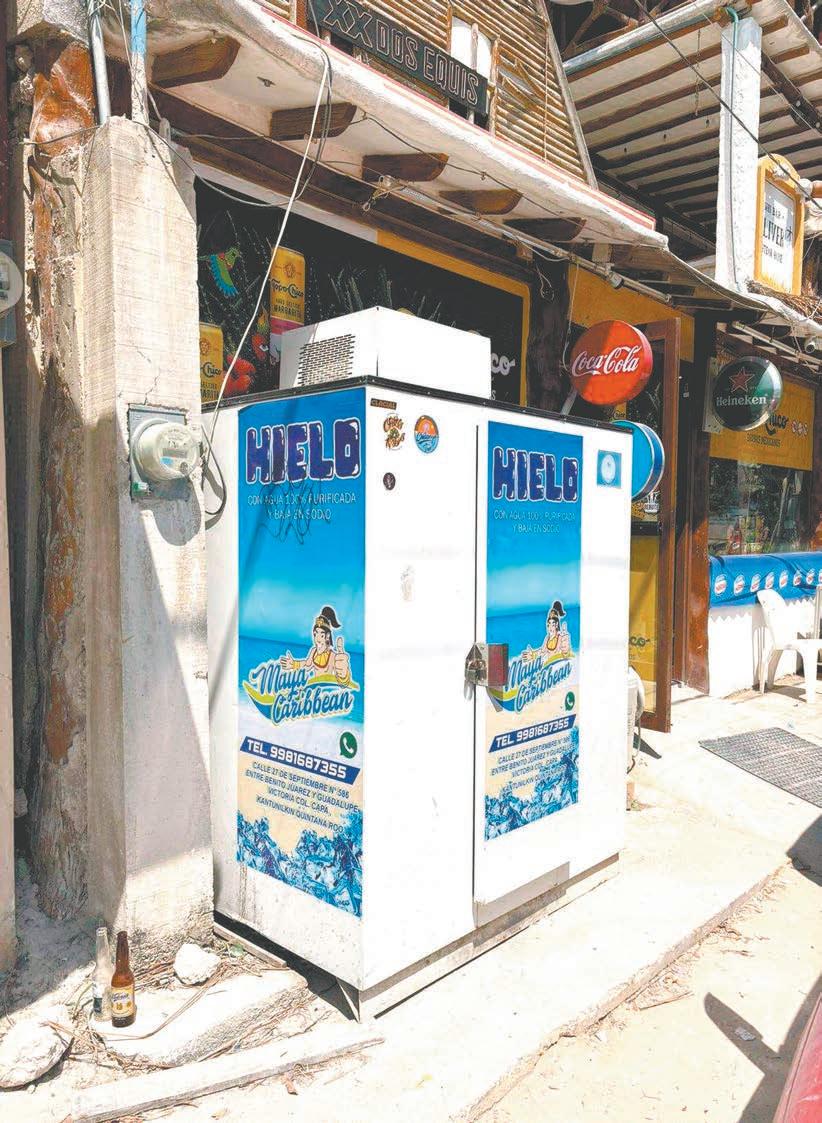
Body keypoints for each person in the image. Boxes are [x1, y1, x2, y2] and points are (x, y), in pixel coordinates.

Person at [279, 605, 351, 685]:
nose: (317, 639)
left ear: (327, 636)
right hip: (315, 688)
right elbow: (307, 664)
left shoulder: (333, 656)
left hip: (327, 689)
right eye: (315, 634)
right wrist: (293, 664)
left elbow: (342, 680)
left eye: (322, 635)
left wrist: (343, 674)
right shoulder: (314, 651)